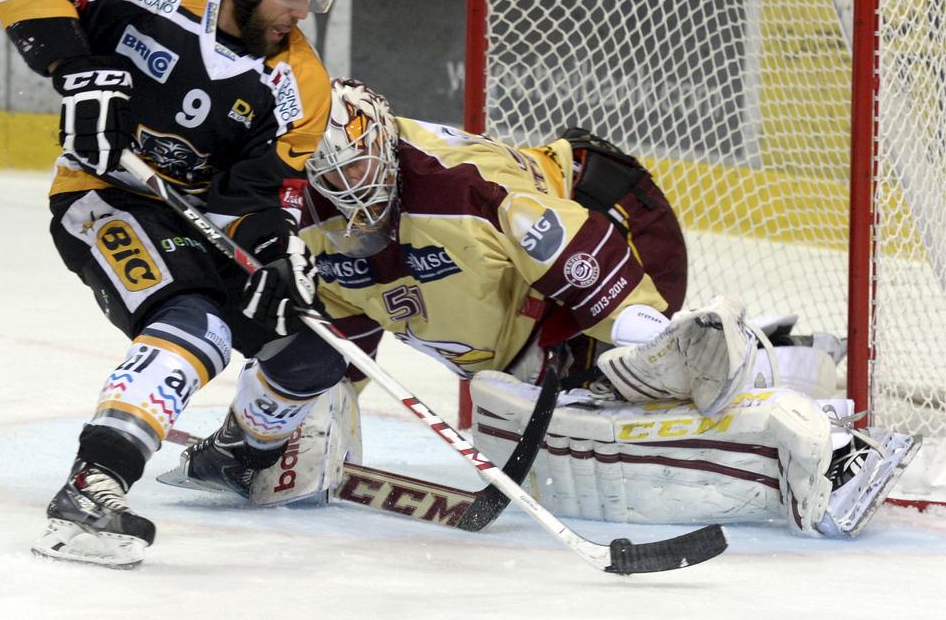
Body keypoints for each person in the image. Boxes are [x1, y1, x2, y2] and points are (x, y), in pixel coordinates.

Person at [288, 77, 919, 537]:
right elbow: (342, 346)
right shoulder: (313, 228)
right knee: (515, 397)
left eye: (363, 169)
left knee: (639, 385)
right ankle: (791, 354)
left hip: (613, 217)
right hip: (533, 310)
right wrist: (298, 439)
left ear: (388, 143)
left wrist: (655, 340)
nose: (353, 194)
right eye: (334, 180)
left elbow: (583, 266)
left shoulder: (460, 187)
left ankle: (835, 439)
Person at [0, 0, 350, 568]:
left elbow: (257, 197)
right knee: (196, 322)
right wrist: (77, 71)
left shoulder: (300, 83)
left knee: (315, 344)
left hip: (199, 221)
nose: (303, 12)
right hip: (103, 197)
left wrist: (274, 255)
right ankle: (91, 488)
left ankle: (237, 457)